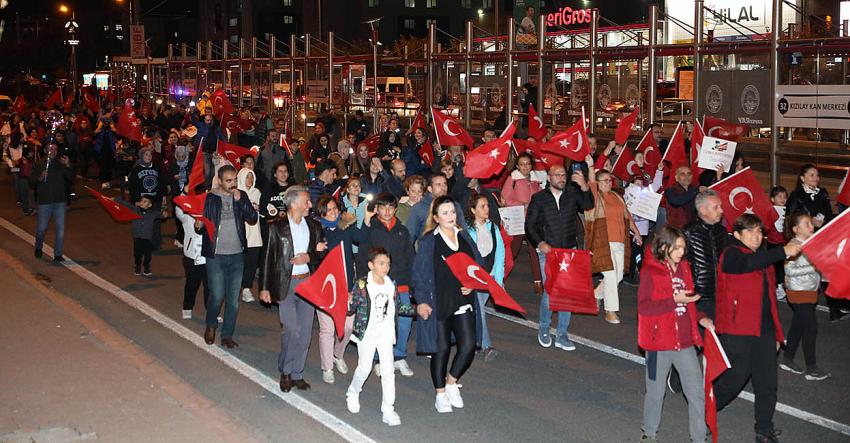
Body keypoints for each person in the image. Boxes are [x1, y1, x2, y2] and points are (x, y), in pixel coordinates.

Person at [713, 214, 802, 443]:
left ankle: (764, 429)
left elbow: (769, 300)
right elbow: (745, 265)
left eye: (759, 231)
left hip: (763, 330)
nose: (757, 236)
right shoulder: (731, 254)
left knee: (767, 383)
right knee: (733, 380)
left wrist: (776, 334)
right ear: (738, 234)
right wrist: (782, 251)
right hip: (738, 330)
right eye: (751, 231)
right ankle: (705, 409)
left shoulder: (762, 259)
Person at [638, 226, 714, 443]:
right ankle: (649, 433)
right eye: (677, 247)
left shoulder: (685, 269)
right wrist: (674, 300)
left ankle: (699, 437)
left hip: (684, 341)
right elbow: (644, 308)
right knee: (655, 392)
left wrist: (700, 318)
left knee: (696, 392)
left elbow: (688, 302)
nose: (682, 252)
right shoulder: (650, 271)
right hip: (657, 343)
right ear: (664, 247)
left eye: (683, 247)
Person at [412, 196, 483, 413]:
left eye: (452, 212)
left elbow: (477, 264)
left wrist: (472, 283)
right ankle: (440, 393)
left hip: (462, 300)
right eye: (445, 213)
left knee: (469, 345)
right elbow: (418, 275)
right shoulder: (428, 241)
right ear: (435, 217)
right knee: (440, 348)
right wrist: (422, 301)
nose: (450, 216)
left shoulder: (464, 236)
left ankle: (451, 383)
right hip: (439, 301)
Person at [258, 186, 327, 392]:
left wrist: (309, 257)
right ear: (294, 203)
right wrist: (264, 288)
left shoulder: (314, 226)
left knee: (305, 333)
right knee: (292, 330)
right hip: (285, 283)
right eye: (306, 201)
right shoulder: (276, 227)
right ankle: (285, 371)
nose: (310, 205)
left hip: (308, 283)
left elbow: (321, 254)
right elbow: (268, 257)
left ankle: (297, 373)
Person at [526, 163, 594, 349]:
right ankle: (544, 328)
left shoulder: (572, 194)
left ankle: (562, 334)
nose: (562, 178)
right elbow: (529, 225)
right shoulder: (538, 198)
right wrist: (540, 243)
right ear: (548, 178)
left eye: (564, 175)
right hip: (548, 253)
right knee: (551, 291)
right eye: (557, 175)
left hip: (569, 252)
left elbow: (588, 204)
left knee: (567, 294)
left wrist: (585, 186)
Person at [346, 247, 415, 426]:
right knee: (364, 368)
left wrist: (416, 310)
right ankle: (353, 392)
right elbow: (351, 308)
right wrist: (348, 301)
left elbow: (399, 307)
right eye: (381, 264)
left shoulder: (390, 284)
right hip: (367, 334)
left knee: (388, 371)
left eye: (388, 264)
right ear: (371, 265)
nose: (385, 268)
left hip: (385, 334)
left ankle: (388, 409)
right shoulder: (362, 284)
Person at [197, 165, 259, 349]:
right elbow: (202, 225)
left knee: (233, 299)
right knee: (217, 295)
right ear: (220, 180)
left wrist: (241, 201)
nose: (232, 184)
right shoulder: (210, 198)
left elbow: (252, 218)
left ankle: (227, 335)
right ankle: (211, 324)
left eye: (234, 180)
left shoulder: (240, 195)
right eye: (228, 181)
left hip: (237, 255)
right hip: (216, 255)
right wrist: (198, 225)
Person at [356, 193, 416, 377]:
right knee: (378, 320)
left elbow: (410, 257)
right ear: (377, 209)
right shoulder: (371, 229)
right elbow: (362, 256)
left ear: (396, 209)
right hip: (377, 283)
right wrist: (361, 282)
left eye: (391, 207)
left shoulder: (402, 230)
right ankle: (377, 359)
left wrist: (411, 284)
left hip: (401, 283)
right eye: (383, 207)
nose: (387, 211)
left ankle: (399, 356)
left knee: (405, 320)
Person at [586, 168, 642, 324]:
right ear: (598, 183)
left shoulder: (617, 196)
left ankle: (596, 295)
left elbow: (627, 216)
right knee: (610, 275)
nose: (608, 183)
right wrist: (590, 166)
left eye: (610, 180)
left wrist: (636, 232)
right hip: (603, 241)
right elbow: (590, 183)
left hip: (620, 241)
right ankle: (610, 311)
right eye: (604, 180)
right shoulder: (595, 198)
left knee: (617, 276)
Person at [314, 196, 361, 384]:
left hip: (346, 287)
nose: (333, 212)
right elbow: (311, 256)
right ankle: (327, 367)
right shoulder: (317, 231)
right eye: (329, 209)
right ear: (322, 213)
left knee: (347, 327)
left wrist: (359, 220)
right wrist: (315, 248)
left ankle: (337, 354)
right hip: (325, 288)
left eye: (335, 208)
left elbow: (363, 238)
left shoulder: (345, 228)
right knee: (327, 329)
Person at [780, 212, 831, 381]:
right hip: (798, 291)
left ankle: (787, 359)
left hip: (809, 290)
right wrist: (814, 267)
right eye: (807, 224)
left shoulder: (811, 242)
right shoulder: (794, 245)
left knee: (799, 325)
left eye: (811, 223)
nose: (812, 226)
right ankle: (812, 368)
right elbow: (789, 271)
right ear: (796, 229)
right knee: (811, 327)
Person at [465, 193, 505, 361]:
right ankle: (486, 345)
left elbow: (500, 254)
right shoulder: (467, 231)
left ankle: (472, 342)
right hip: (474, 278)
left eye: (487, 206)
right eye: (482, 207)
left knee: (474, 312)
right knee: (480, 310)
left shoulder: (493, 228)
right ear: (473, 210)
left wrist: (498, 279)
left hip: (489, 276)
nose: (487, 209)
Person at [501, 153, 544, 292]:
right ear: (517, 166)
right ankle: (500, 279)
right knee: (512, 251)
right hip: (517, 221)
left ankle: (538, 282)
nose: (525, 166)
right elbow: (505, 200)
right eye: (522, 164)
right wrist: (523, 205)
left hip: (533, 221)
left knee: (535, 251)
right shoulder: (512, 179)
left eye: (528, 164)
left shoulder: (537, 180)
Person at [683, 190, 728, 319]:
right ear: (702, 210)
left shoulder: (722, 232)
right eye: (716, 207)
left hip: (721, 294)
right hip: (698, 296)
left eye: (720, 206)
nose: (721, 210)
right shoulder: (688, 232)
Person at [31, 143, 73, 262]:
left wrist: (68, 165)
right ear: (45, 150)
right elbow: (31, 181)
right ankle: (38, 246)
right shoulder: (39, 164)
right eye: (50, 149)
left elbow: (71, 178)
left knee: (60, 229)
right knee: (42, 229)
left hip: (59, 201)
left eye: (55, 149)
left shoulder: (61, 163)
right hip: (45, 201)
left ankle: (58, 254)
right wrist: (40, 177)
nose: (53, 151)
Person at [174, 186, 209, 320]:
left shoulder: (209, 213)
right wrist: (184, 191)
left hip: (208, 256)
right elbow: (178, 207)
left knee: (210, 286)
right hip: (191, 255)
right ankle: (187, 307)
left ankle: (212, 311)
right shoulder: (187, 215)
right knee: (192, 283)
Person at [237, 168, 262, 303]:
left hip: (255, 233)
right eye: (247, 177)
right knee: (240, 263)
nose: (250, 180)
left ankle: (246, 288)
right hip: (241, 233)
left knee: (252, 263)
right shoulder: (237, 194)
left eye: (252, 177)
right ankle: (235, 287)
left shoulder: (257, 193)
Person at [125, 195, 167, 276]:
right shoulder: (135, 209)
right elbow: (126, 204)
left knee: (148, 254)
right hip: (137, 237)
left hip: (147, 238)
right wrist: (116, 199)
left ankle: (146, 267)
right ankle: (137, 266)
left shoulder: (153, 213)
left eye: (145, 201)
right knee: (137, 254)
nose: (142, 202)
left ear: (150, 205)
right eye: (141, 200)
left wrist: (164, 214)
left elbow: (162, 215)